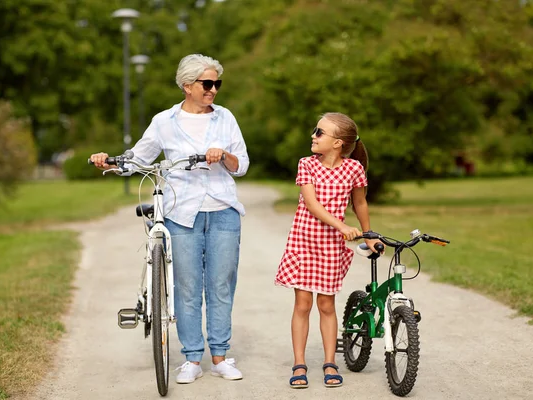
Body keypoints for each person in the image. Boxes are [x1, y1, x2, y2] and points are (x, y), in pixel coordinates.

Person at [90, 54, 249, 384]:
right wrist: (109, 161)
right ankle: (191, 358)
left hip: (222, 211)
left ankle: (220, 356)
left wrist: (225, 156)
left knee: (221, 286)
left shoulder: (226, 118)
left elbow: (242, 164)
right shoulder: (164, 121)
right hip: (181, 212)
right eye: (207, 84)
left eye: (217, 83)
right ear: (187, 86)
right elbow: (138, 157)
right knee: (187, 288)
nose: (214, 90)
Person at [274, 112, 379, 389]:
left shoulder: (354, 169)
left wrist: (367, 235)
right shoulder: (307, 164)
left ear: (338, 143)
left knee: (326, 305)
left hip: (331, 247)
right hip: (304, 241)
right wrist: (342, 226)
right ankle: (299, 364)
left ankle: (330, 362)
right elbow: (312, 205)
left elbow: (360, 204)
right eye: (315, 130)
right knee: (303, 304)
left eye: (320, 132)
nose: (313, 136)